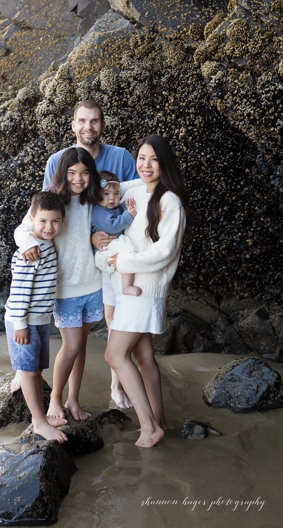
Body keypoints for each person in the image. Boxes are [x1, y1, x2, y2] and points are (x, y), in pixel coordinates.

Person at [40, 99, 138, 408]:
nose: (88, 127)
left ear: (103, 125)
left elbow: (137, 199)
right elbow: (43, 218)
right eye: (82, 121)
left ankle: (91, 394)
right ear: (73, 125)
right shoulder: (58, 164)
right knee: (72, 344)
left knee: (100, 333)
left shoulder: (120, 159)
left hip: (106, 264)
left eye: (94, 121)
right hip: (71, 273)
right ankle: (49, 392)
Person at [96, 135, 189, 448]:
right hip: (128, 289)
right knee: (143, 355)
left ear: (165, 163)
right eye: (141, 158)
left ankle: (149, 427)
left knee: (114, 354)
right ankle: (160, 420)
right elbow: (98, 195)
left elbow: (165, 251)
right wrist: (99, 242)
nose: (146, 165)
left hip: (145, 290)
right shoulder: (133, 188)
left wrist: (123, 260)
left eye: (154, 159)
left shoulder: (169, 201)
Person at [16, 147, 102, 425]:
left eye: (85, 173)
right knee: (72, 344)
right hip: (65, 289)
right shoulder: (54, 202)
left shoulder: (93, 200)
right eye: (72, 173)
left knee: (81, 345)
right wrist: (27, 243)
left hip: (92, 284)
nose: (78, 178)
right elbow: (24, 227)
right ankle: (55, 398)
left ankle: (73, 398)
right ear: (62, 174)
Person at [6, 191, 68, 443]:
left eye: (55, 221)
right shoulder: (30, 250)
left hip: (39, 318)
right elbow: (19, 289)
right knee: (31, 372)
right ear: (31, 219)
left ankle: (23, 376)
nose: (49, 227)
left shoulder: (45, 243)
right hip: (24, 320)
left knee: (38, 367)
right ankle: (38, 422)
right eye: (43, 221)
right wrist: (20, 324)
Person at [92, 171, 140, 296]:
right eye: (106, 194)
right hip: (104, 252)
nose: (112, 198)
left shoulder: (112, 207)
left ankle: (124, 286)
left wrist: (126, 206)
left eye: (116, 193)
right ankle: (126, 286)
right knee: (128, 251)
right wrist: (128, 216)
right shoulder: (98, 211)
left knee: (127, 250)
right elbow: (113, 227)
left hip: (111, 247)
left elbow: (119, 212)